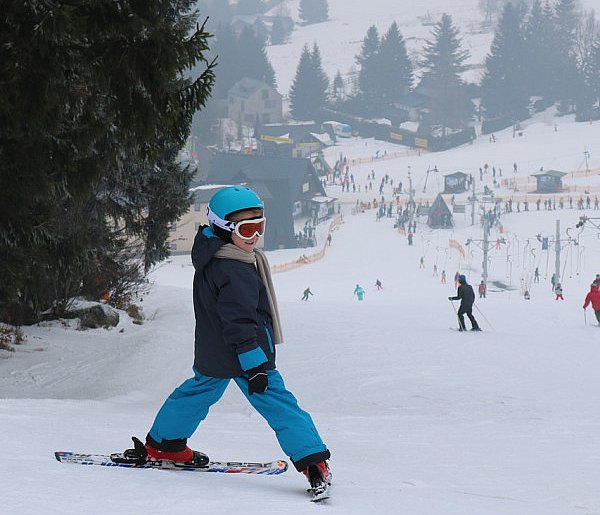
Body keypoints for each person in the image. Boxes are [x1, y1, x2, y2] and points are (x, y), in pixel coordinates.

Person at [126, 186, 331, 493]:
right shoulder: (235, 269)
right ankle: (313, 460)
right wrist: (255, 366)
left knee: (197, 393)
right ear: (223, 228)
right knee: (280, 404)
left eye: (259, 226)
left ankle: (165, 444)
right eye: (246, 230)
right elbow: (239, 322)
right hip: (244, 354)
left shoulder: (213, 252)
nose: (255, 237)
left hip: (214, 350)